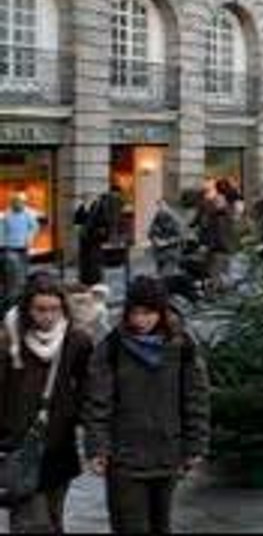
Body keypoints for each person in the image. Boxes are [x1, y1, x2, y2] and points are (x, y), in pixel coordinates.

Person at [84, 276, 210, 534]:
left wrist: (195, 445)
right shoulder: (113, 346)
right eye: (135, 313)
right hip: (125, 458)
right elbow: (98, 401)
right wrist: (97, 448)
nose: (140, 320)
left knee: (161, 524)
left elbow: (195, 397)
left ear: (161, 312)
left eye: (148, 313)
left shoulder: (181, 345)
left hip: (167, 453)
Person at [0, 273, 93, 533]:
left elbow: (88, 389)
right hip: (18, 447)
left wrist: (87, 428)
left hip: (58, 448)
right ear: (27, 308)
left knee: (53, 518)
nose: (48, 316)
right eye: (40, 309)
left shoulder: (76, 341)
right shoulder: (8, 341)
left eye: (54, 309)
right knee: (29, 524)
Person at [1, 194, 39, 306]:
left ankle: (21, 298)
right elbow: (1, 231)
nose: (20, 204)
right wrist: (2, 245)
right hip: (10, 248)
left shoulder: (28, 213)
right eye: (17, 202)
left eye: (22, 202)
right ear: (12, 203)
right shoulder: (6, 215)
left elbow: (34, 227)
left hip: (23, 248)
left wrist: (29, 238)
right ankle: (11, 299)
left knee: (23, 274)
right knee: (12, 274)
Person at [148, 199, 184, 278]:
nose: (160, 208)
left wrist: (165, 242)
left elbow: (180, 236)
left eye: (162, 206)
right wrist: (154, 239)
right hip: (159, 252)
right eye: (158, 206)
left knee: (166, 275)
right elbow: (151, 231)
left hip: (171, 252)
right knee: (160, 273)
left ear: (167, 206)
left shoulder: (175, 219)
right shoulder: (158, 216)